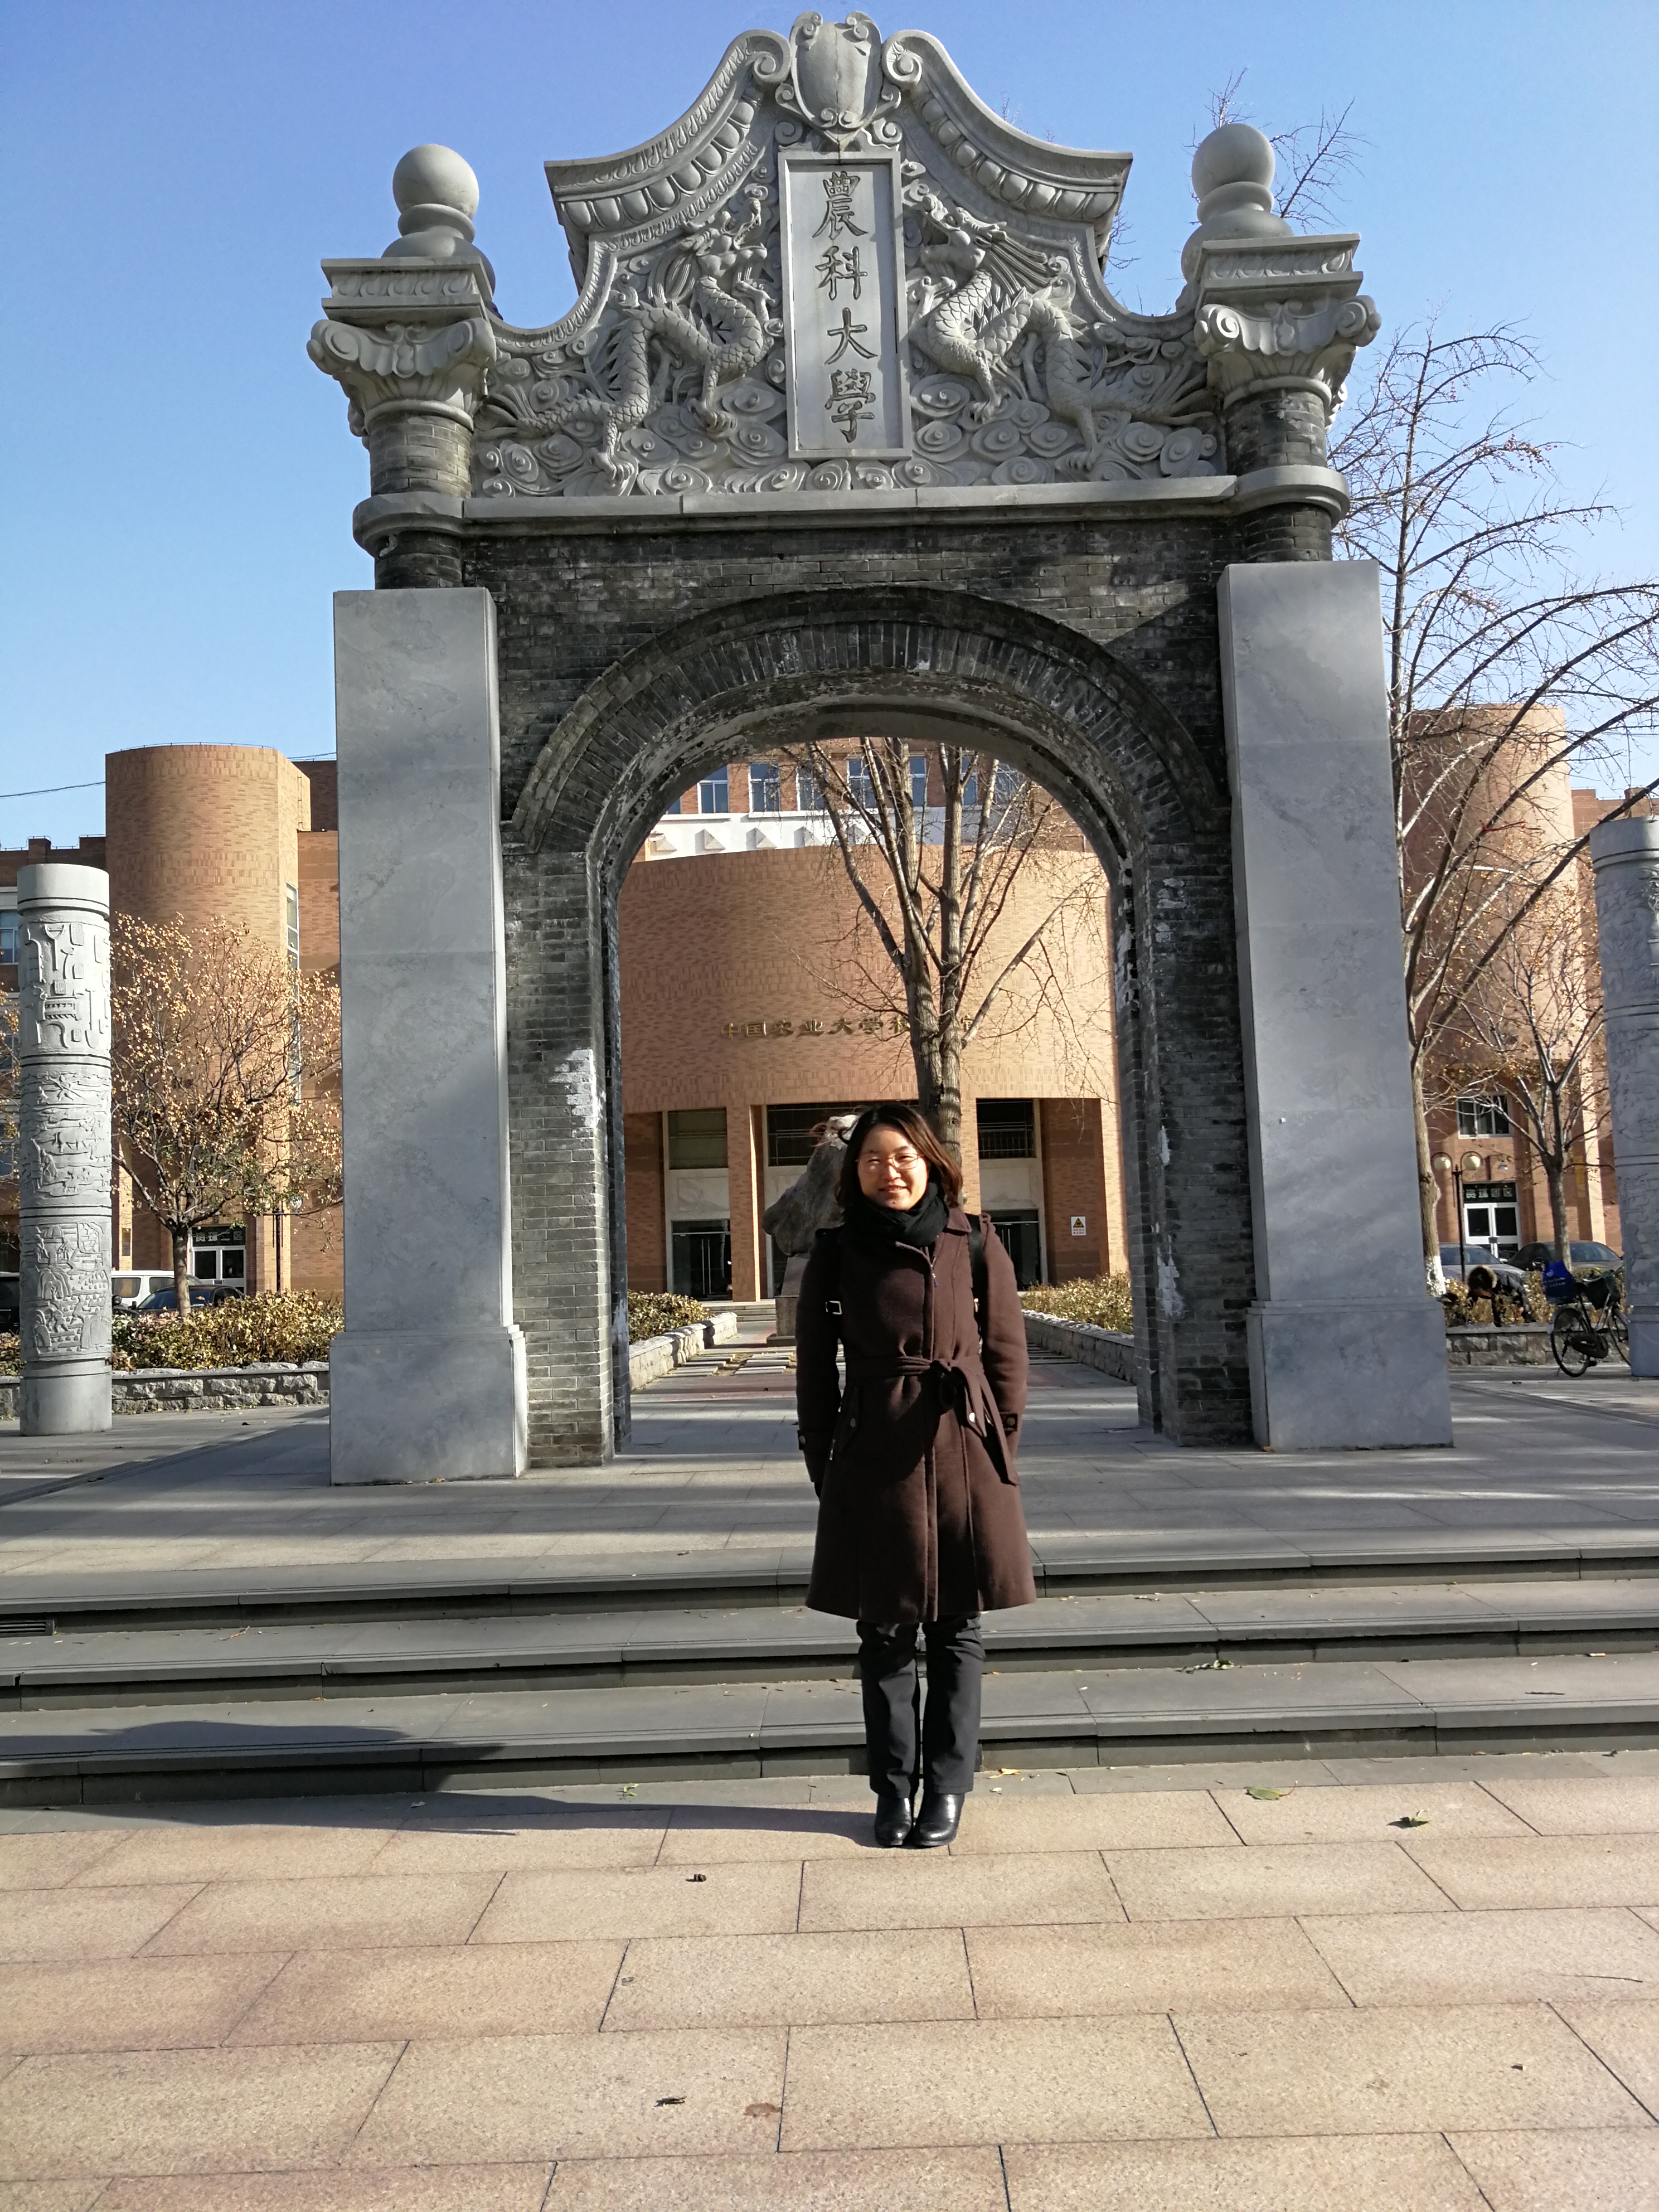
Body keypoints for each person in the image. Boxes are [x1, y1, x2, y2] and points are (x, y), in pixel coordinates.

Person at [794, 1102, 1036, 1849]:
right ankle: (893, 1788)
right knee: (885, 1629)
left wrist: (999, 1444)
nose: (889, 1171)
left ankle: (949, 1786)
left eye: (903, 1157)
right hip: (872, 1450)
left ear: (931, 1162)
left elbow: (1006, 1351)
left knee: (959, 1625)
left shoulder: (974, 1238)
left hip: (963, 1446)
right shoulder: (835, 1251)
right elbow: (814, 1370)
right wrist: (824, 1458)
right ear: (853, 1171)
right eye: (873, 1159)